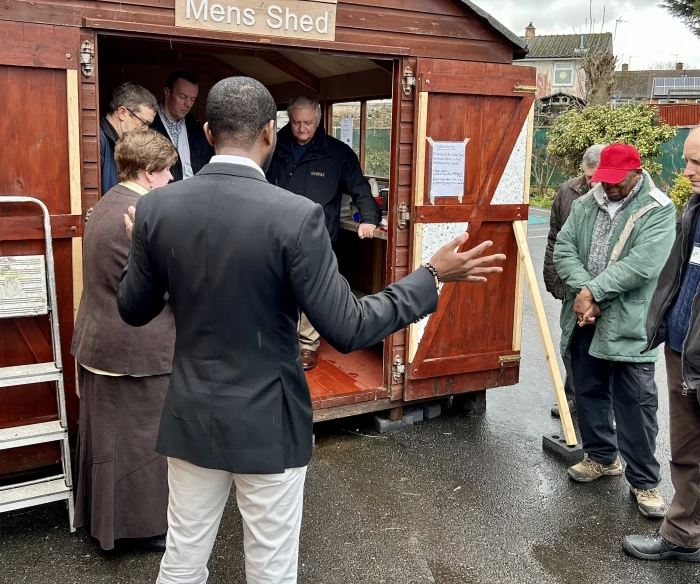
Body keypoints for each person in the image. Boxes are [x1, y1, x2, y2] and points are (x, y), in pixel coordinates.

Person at [116, 76, 505, 584]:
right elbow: (348, 326)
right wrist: (430, 276)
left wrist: (142, 251)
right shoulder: (296, 217)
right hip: (269, 421)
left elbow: (134, 309)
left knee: (183, 561)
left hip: (191, 413)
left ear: (208, 133)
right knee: (271, 568)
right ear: (269, 134)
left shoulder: (155, 209)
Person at [553, 143, 675, 518]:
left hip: (630, 323)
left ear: (636, 173)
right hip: (584, 316)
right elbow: (563, 248)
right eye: (604, 180)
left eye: (617, 181)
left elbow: (643, 265)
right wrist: (585, 293)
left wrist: (592, 292)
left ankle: (645, 481)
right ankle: (602, 458)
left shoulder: (659, 208)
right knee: (588, 392)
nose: (608, 188)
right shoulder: (587, 201)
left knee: (635, 404)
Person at [71, 130, 178, 551]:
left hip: (100, 340)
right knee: (141, 445)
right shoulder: (141, 213)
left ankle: (103, 521)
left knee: (106, 441)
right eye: (167, 170)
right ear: (149, 173)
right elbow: (162, 288)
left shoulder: (107, 203)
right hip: (136, 348)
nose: (172, 178)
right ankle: (142, 528)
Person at [624, 127, 700, 562]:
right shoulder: (695, 208)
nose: (685, 170)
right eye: (688, 160)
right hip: (682, 350)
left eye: (697, 163)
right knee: (687, 452)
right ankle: (682, 536)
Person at [266, 96, 382, 370]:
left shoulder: (337, 153)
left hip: (317, 236)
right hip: (276, 231)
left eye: (307, 123)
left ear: (318, 121)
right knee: (277, 288)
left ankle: (307, 346)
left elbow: (359, 187)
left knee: (311, 290)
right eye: (295, 122)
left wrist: (368, 218)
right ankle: (280, 340)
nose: (302, 128)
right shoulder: (273, 147)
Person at [543, 144, 604, 417]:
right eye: (588, 176)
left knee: (602, 347)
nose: (592, 183)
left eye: (597, 176)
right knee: (571, 342)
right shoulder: (568, 190)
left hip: (605, 290)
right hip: (572, 286)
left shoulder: (617, 195)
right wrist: (552, 277)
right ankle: (571, 397)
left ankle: (602, 404)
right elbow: (555, 238)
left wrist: (597, 292)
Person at [150, 70, 213, 181]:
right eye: (182, 97)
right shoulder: (148, 126)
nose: (188, 104)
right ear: (167, 92)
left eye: (193, 99)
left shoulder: (197, 130)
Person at [99, 82, 158, 195]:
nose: (145, 130)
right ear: (122, 113)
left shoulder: (119, 143)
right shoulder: (99, 141)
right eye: (143, 123)